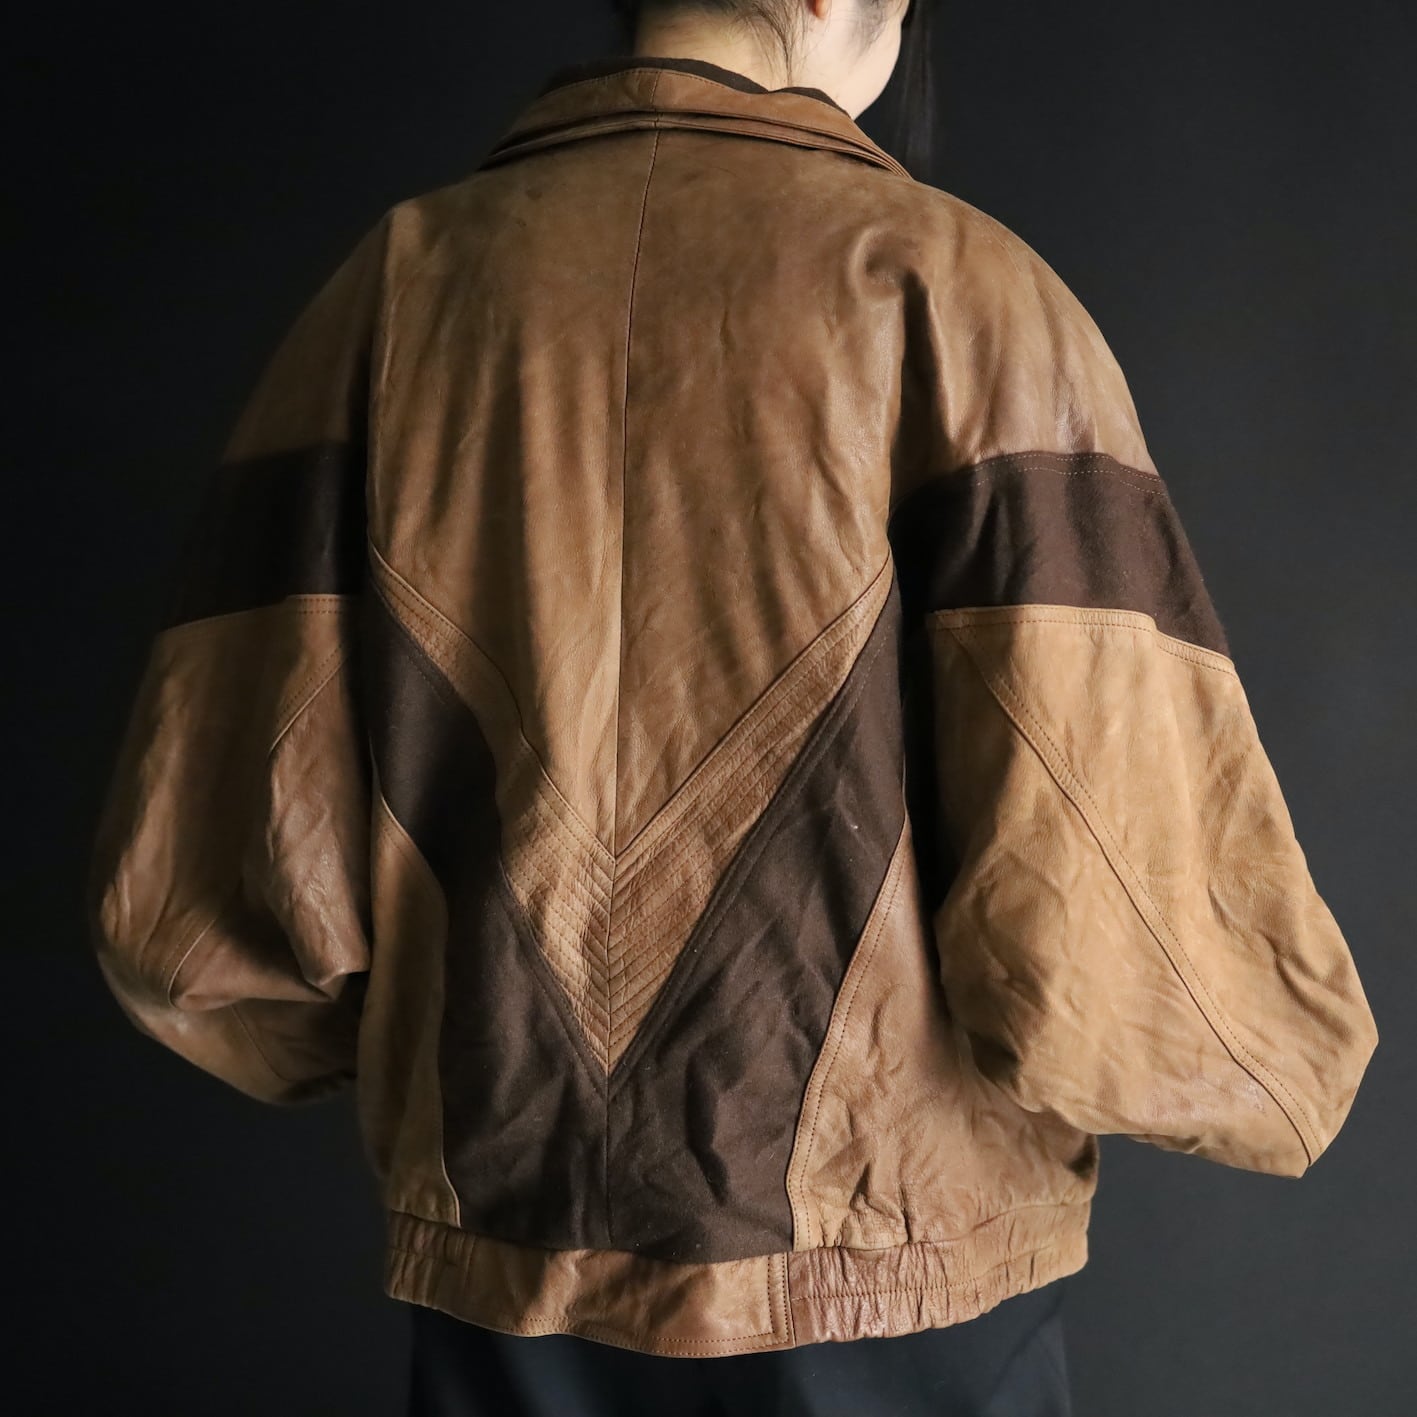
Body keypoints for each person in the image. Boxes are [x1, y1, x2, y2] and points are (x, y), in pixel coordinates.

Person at [84, 1, 1380, 1414]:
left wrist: (452, 1067)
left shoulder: (390, 289)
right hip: (892, 1261)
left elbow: (200, 885)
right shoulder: (962, 291)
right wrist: (1282, 1067)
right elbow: (1103, 871)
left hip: (507, 1243)